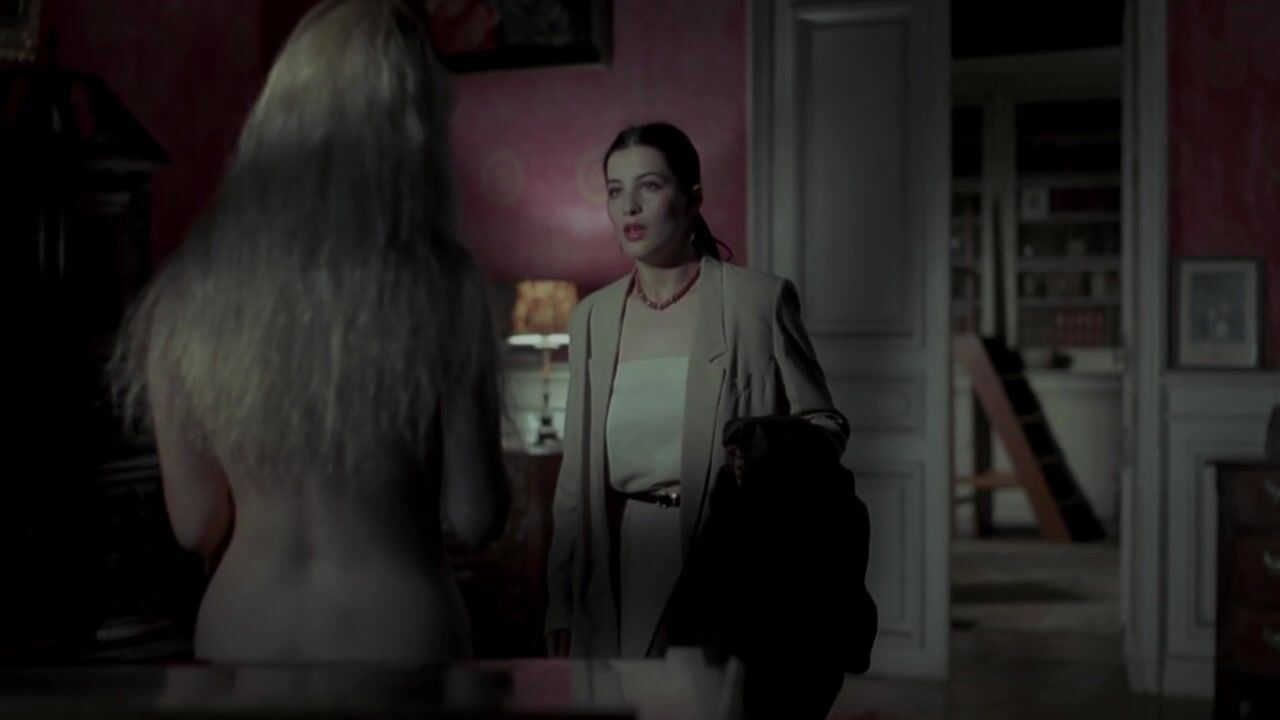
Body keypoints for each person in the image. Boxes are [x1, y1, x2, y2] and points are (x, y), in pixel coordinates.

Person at [110, 0, 508, 664]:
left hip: (243, 631)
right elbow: (476, 515)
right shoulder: (443, 281)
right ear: (414, 128)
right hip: (397, 635)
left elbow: (195, 525)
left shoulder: (187, 292)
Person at [544, 122, 850, 660]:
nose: (630, 206)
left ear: (693, 199)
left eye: (650, 186)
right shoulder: (592, 317)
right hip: (618, 566)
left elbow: (826, 426)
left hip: (727, 560)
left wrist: (764, 453)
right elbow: (574, 482)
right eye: (615, 191)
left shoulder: (756, 302)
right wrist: (561, 600)